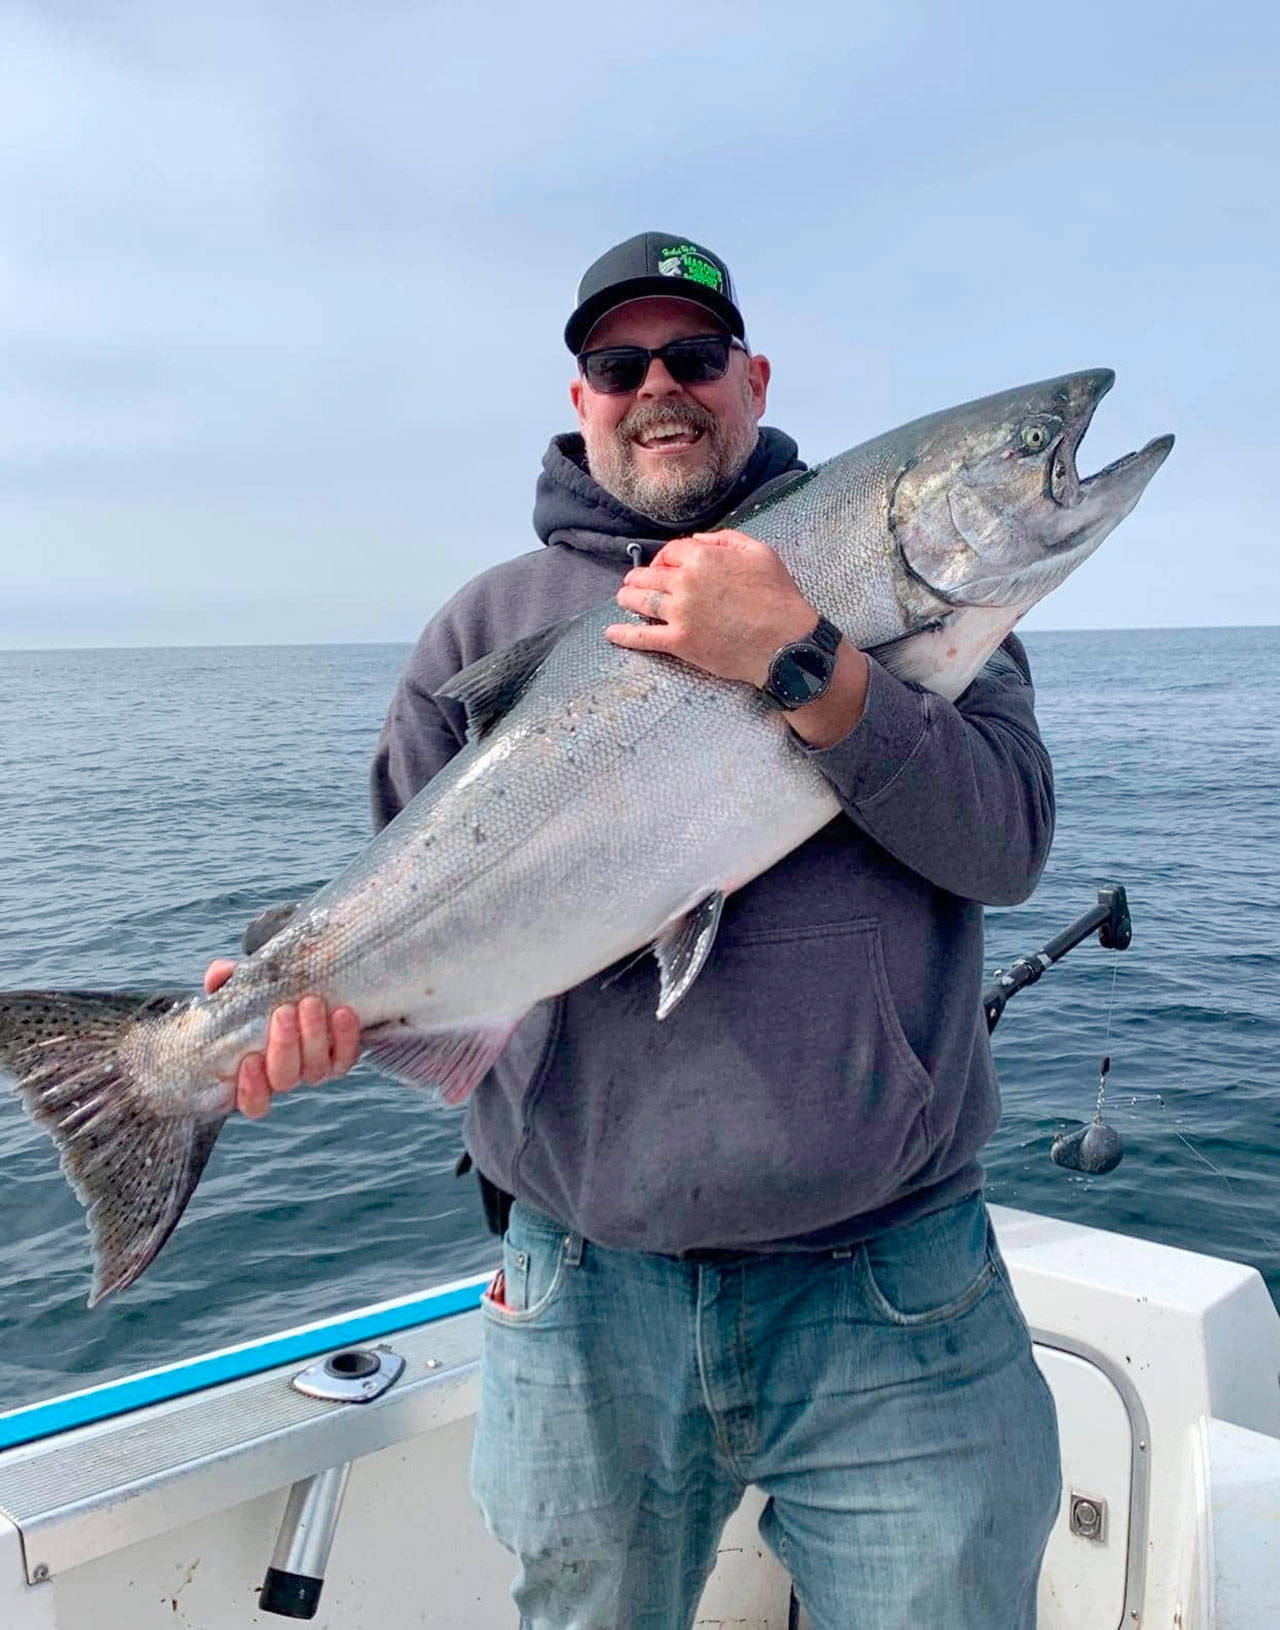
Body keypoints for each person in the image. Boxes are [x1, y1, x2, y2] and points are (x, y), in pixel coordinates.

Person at [208, 232, 1061, 1629]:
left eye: (697, 354)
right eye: (622, 362)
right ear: (581, 396)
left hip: (897, 1287)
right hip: (582, 1292)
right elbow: (416, 926)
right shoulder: (484, 625)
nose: (661, 383)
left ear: (753, 376)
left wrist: (804, 659)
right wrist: (303, 1017)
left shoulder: (937, 609)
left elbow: (1006, 843)